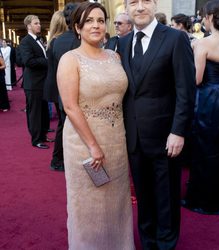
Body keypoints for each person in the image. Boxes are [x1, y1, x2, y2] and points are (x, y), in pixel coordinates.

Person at [117, 0, 196, 249]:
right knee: (143, 195)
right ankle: (148, 240)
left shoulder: (175, 38)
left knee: (167, 196)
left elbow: (186, 89)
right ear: (127, 7)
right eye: (134, 2)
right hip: (133, 135)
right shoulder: (122, 42)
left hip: (165, 136)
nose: (140, 7)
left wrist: (178, 131)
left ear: (154, 4)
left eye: (146, 1)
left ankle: (166, 243)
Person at [57, 2, 135, 249]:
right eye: (89, 21)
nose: (96, 25)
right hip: (84, 142)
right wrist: (93, 146)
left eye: (100, 20)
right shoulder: (70, 59)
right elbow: (70, 107)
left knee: (116, 201)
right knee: (89, 204)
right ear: (78, 28)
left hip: (116, 140)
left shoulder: (115, 56)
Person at [183, 0, 219, 215]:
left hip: (206, 99)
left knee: (203, 147)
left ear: (208, 17)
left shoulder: (203, 44)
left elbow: (196, 79)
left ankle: (201, 200)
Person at [52, 2, 81, 170]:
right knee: (73, 131)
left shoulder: (57, 41)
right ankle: (71, 163)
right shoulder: (79, 40)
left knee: (64, 127)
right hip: (76, 94)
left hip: (61, 92)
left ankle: (58, 160)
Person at [19, 15, 50, 149]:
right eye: (36, 23)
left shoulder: (40, 39)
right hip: (33, 83)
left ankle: (42, 135)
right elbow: (28, 61)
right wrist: (48, 61)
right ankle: (36, 139)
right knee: (35, 112)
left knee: (43, 110)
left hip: (42, 82)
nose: (39, 25)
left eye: (39, 23)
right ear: (29, 26)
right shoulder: (26, 41)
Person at [43, 10, 67, 170]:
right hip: (58, 87)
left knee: (63, 124)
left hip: (53, 87)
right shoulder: (59, 41)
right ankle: (57, 159)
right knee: (63, 125)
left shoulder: (53, 41)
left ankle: (58, 158)